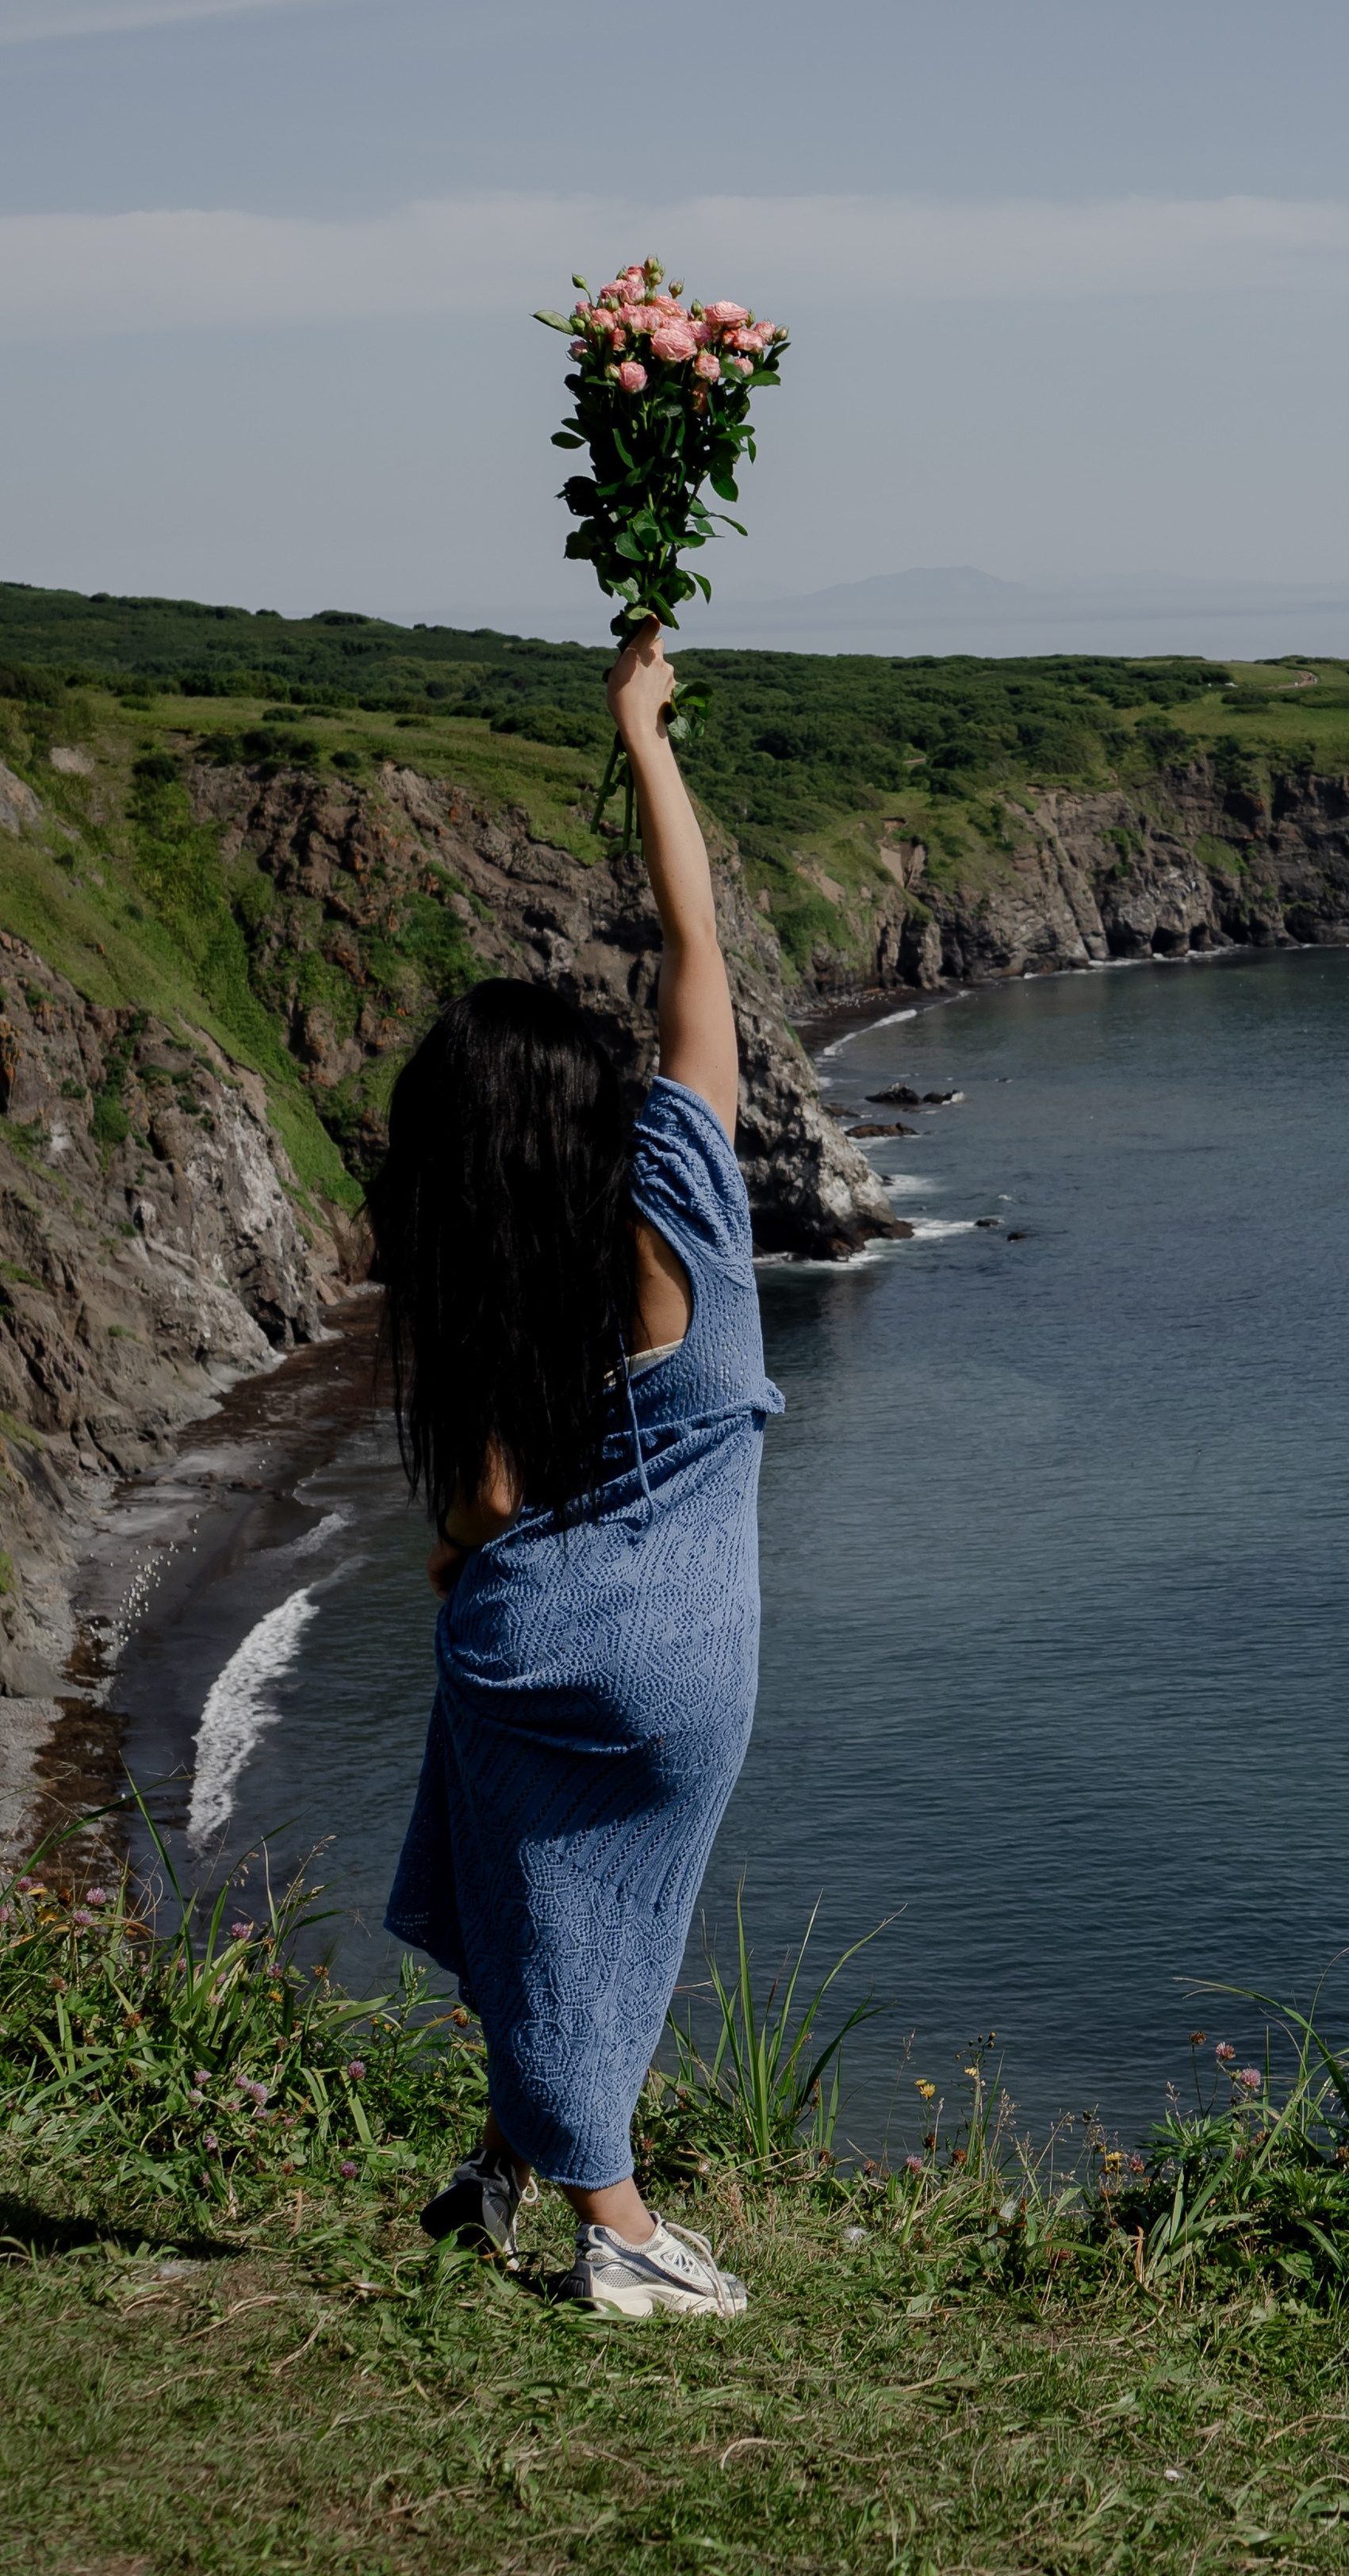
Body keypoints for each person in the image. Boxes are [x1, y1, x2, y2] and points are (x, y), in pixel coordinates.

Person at [374, 626, 781, 2319]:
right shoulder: (687, 1178)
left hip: (538, 1636)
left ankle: (596, 2214)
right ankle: (539, 2185)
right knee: (567, 1912)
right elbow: (697, 946)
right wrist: (643, 729)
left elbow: (476, 1508)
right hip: (689, 1659)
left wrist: (450, 1573)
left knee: (550, 1923)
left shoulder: (493, 1285)